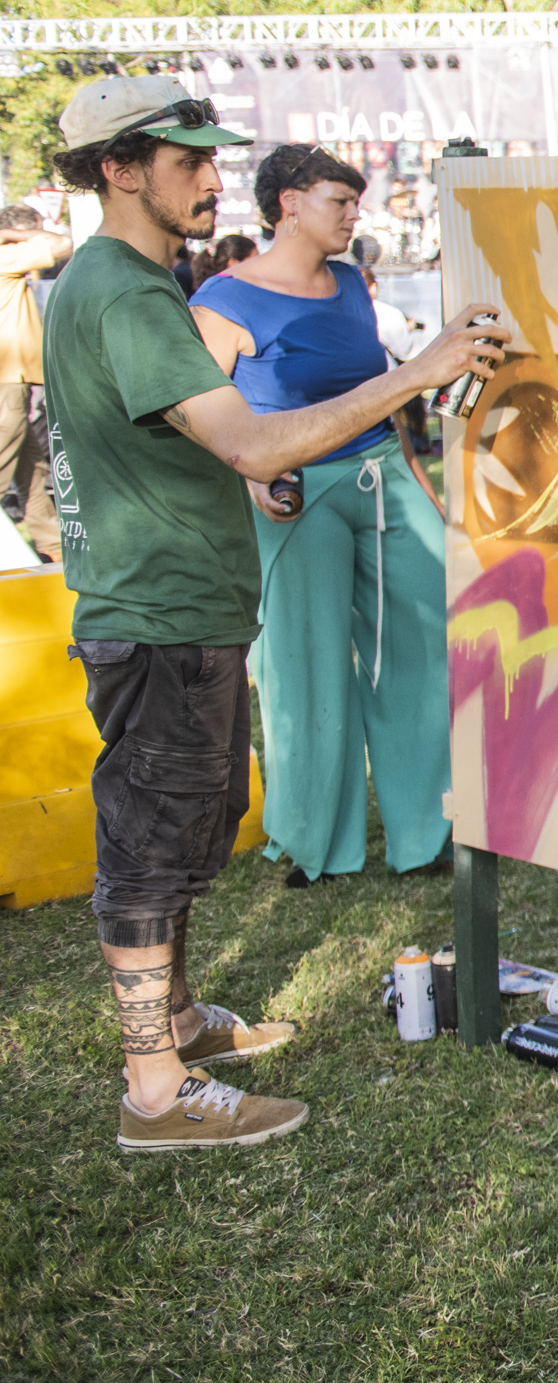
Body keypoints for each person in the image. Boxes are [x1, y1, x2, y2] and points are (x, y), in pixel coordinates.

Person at [42, 79, 500, 1151]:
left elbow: (211, 446)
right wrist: (420, 373)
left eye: (212, 157)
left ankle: (184, 1025)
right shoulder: (122, 290)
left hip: (177, 604)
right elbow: (254, 440)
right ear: (119, 167)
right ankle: (156, 1090)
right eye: (187, 160)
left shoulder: (123, 281)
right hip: (156, 613)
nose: (212, 178)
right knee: (153, 843)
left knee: (188, 825)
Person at [191, 144, 456, 887]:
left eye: (354, 201)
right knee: (303, 665)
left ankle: (425, 830)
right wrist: (248, 484)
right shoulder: (223, 299)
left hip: (382, 477)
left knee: (424, 642)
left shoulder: (347, 284)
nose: (353, 214)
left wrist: (419, 485)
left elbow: (378, 390)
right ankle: (314, 843)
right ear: (289, 204)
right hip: (293, 490)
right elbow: (201, 420)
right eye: (339, 201)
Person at [3, 203, 72, 561]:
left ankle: (52, 548)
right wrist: (15, 235)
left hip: (13, 379)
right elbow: (63, 244)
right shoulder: (7, 255)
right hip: (6, 381)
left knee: (32, 471)